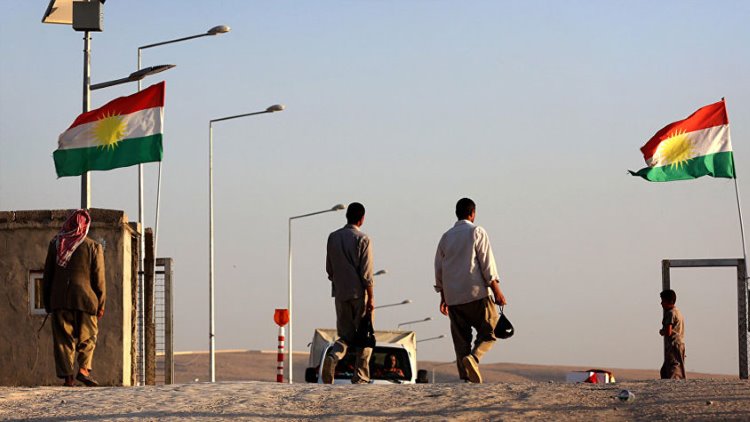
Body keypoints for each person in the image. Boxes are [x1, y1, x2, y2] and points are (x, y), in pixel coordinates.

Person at [434, 198, 507, 383]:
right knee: (490, 331)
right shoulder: (477, 231)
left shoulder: (446, 237)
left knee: (461, 340)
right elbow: (486, 263)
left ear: (456, 213)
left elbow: (439, 268)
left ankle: (466, 378)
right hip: (477, 294)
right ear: (472, 213)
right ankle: (473, 359)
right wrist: (496, 290)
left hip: (453, 297)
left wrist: (443, 296)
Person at [43, 209, 106, 387]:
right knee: (88, 336)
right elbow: (99, 278)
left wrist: (48, 302)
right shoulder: (93, 246)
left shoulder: (55, 245)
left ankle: (68, 377)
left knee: (63, 339)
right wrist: (101, 303)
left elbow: (48, 276)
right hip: (86, 300)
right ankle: (84, 369)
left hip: (60, 300)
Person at [323, 202, 375, 384]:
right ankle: (360, 375)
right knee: (365, 336)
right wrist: (371, 297)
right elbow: (366, 273)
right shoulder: (363, 239)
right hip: (359, 294)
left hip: (340, 293)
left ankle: (333, 357)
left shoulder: (333, 238)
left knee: (345, 336)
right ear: (362, 218)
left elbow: (329, 270)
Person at [659, 289, 686, 379]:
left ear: (669, 301)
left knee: (674, 370)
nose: (661, 303)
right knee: (665, 370)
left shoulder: (670, 313)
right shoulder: (678, 312)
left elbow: (669, 331)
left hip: (674, 344)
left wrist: (662, 331)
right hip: (679, 343)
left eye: (663, 301)